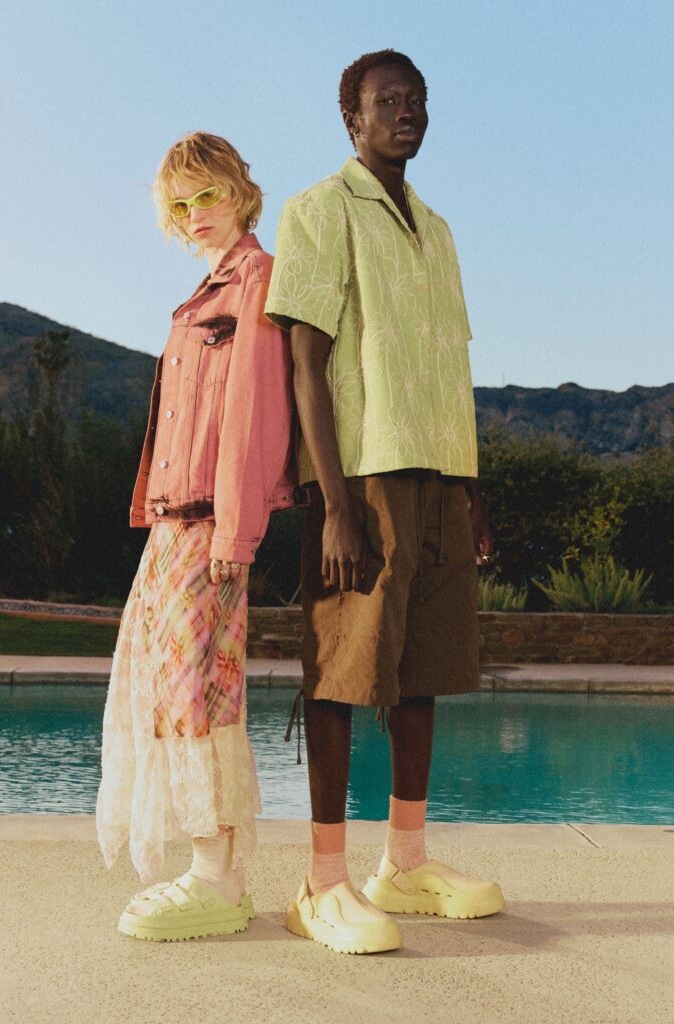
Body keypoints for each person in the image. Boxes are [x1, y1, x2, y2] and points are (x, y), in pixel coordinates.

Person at [265, 49, 504, 955]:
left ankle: (403, 864)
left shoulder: (436, 230)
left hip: (439, 472)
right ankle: (322, 882)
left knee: (422, 670)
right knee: (341, 670)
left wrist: (470, 491)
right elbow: (305, 364)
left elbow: (450, 366)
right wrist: (333, 502)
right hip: (364, 475)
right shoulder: (319, 210)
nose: (408, 113)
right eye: (388, 101)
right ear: (352, 119)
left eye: (418, 100)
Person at [96, 131, 296, 942]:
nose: (194, 214)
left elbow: (255, 415)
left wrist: (236, 537)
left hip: (212, 521)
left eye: (207, 195)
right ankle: (213, 870)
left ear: (239, 191)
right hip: (171, 521)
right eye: (179, 205)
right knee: (165, 689)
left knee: (198, 693)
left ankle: (218, 878)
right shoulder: (200, 296)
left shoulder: (256, 281)